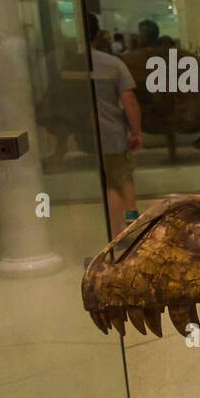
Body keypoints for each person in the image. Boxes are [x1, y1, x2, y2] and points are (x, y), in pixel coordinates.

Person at [86, 13, 142, 236]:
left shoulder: (69, 62)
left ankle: (119, 226)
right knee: (119, 180)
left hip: (85, 136)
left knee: (110, 181)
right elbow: (129, 100)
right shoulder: (112, 63)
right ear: (98, 35)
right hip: (112, 134)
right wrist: (136, 131)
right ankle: (125, 228)